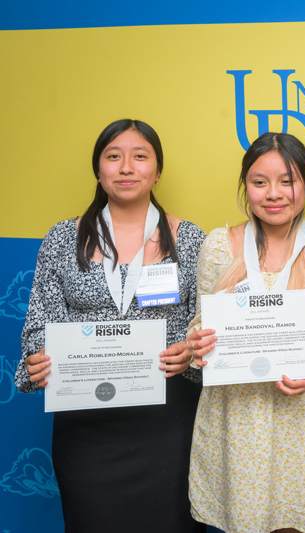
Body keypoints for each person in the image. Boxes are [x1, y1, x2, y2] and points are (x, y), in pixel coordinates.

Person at [15, 118, 214, 532]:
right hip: (86, 424)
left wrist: (189, 352)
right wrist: (37, 358)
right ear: (98, 170)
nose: (126, 167)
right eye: (113, 156)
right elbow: (38, 324)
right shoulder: (62, 239)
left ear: (157, 172)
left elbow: (206, 324)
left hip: (167, 422)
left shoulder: (192, 238)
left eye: (140, 157)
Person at [187, 131, 305, 533]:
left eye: (288, 181)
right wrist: (197, 342)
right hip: (237, 415)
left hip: (304, 418)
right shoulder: (219, 246)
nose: (274, 193)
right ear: (245, 186)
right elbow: (200, 323)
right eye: (260, 182)